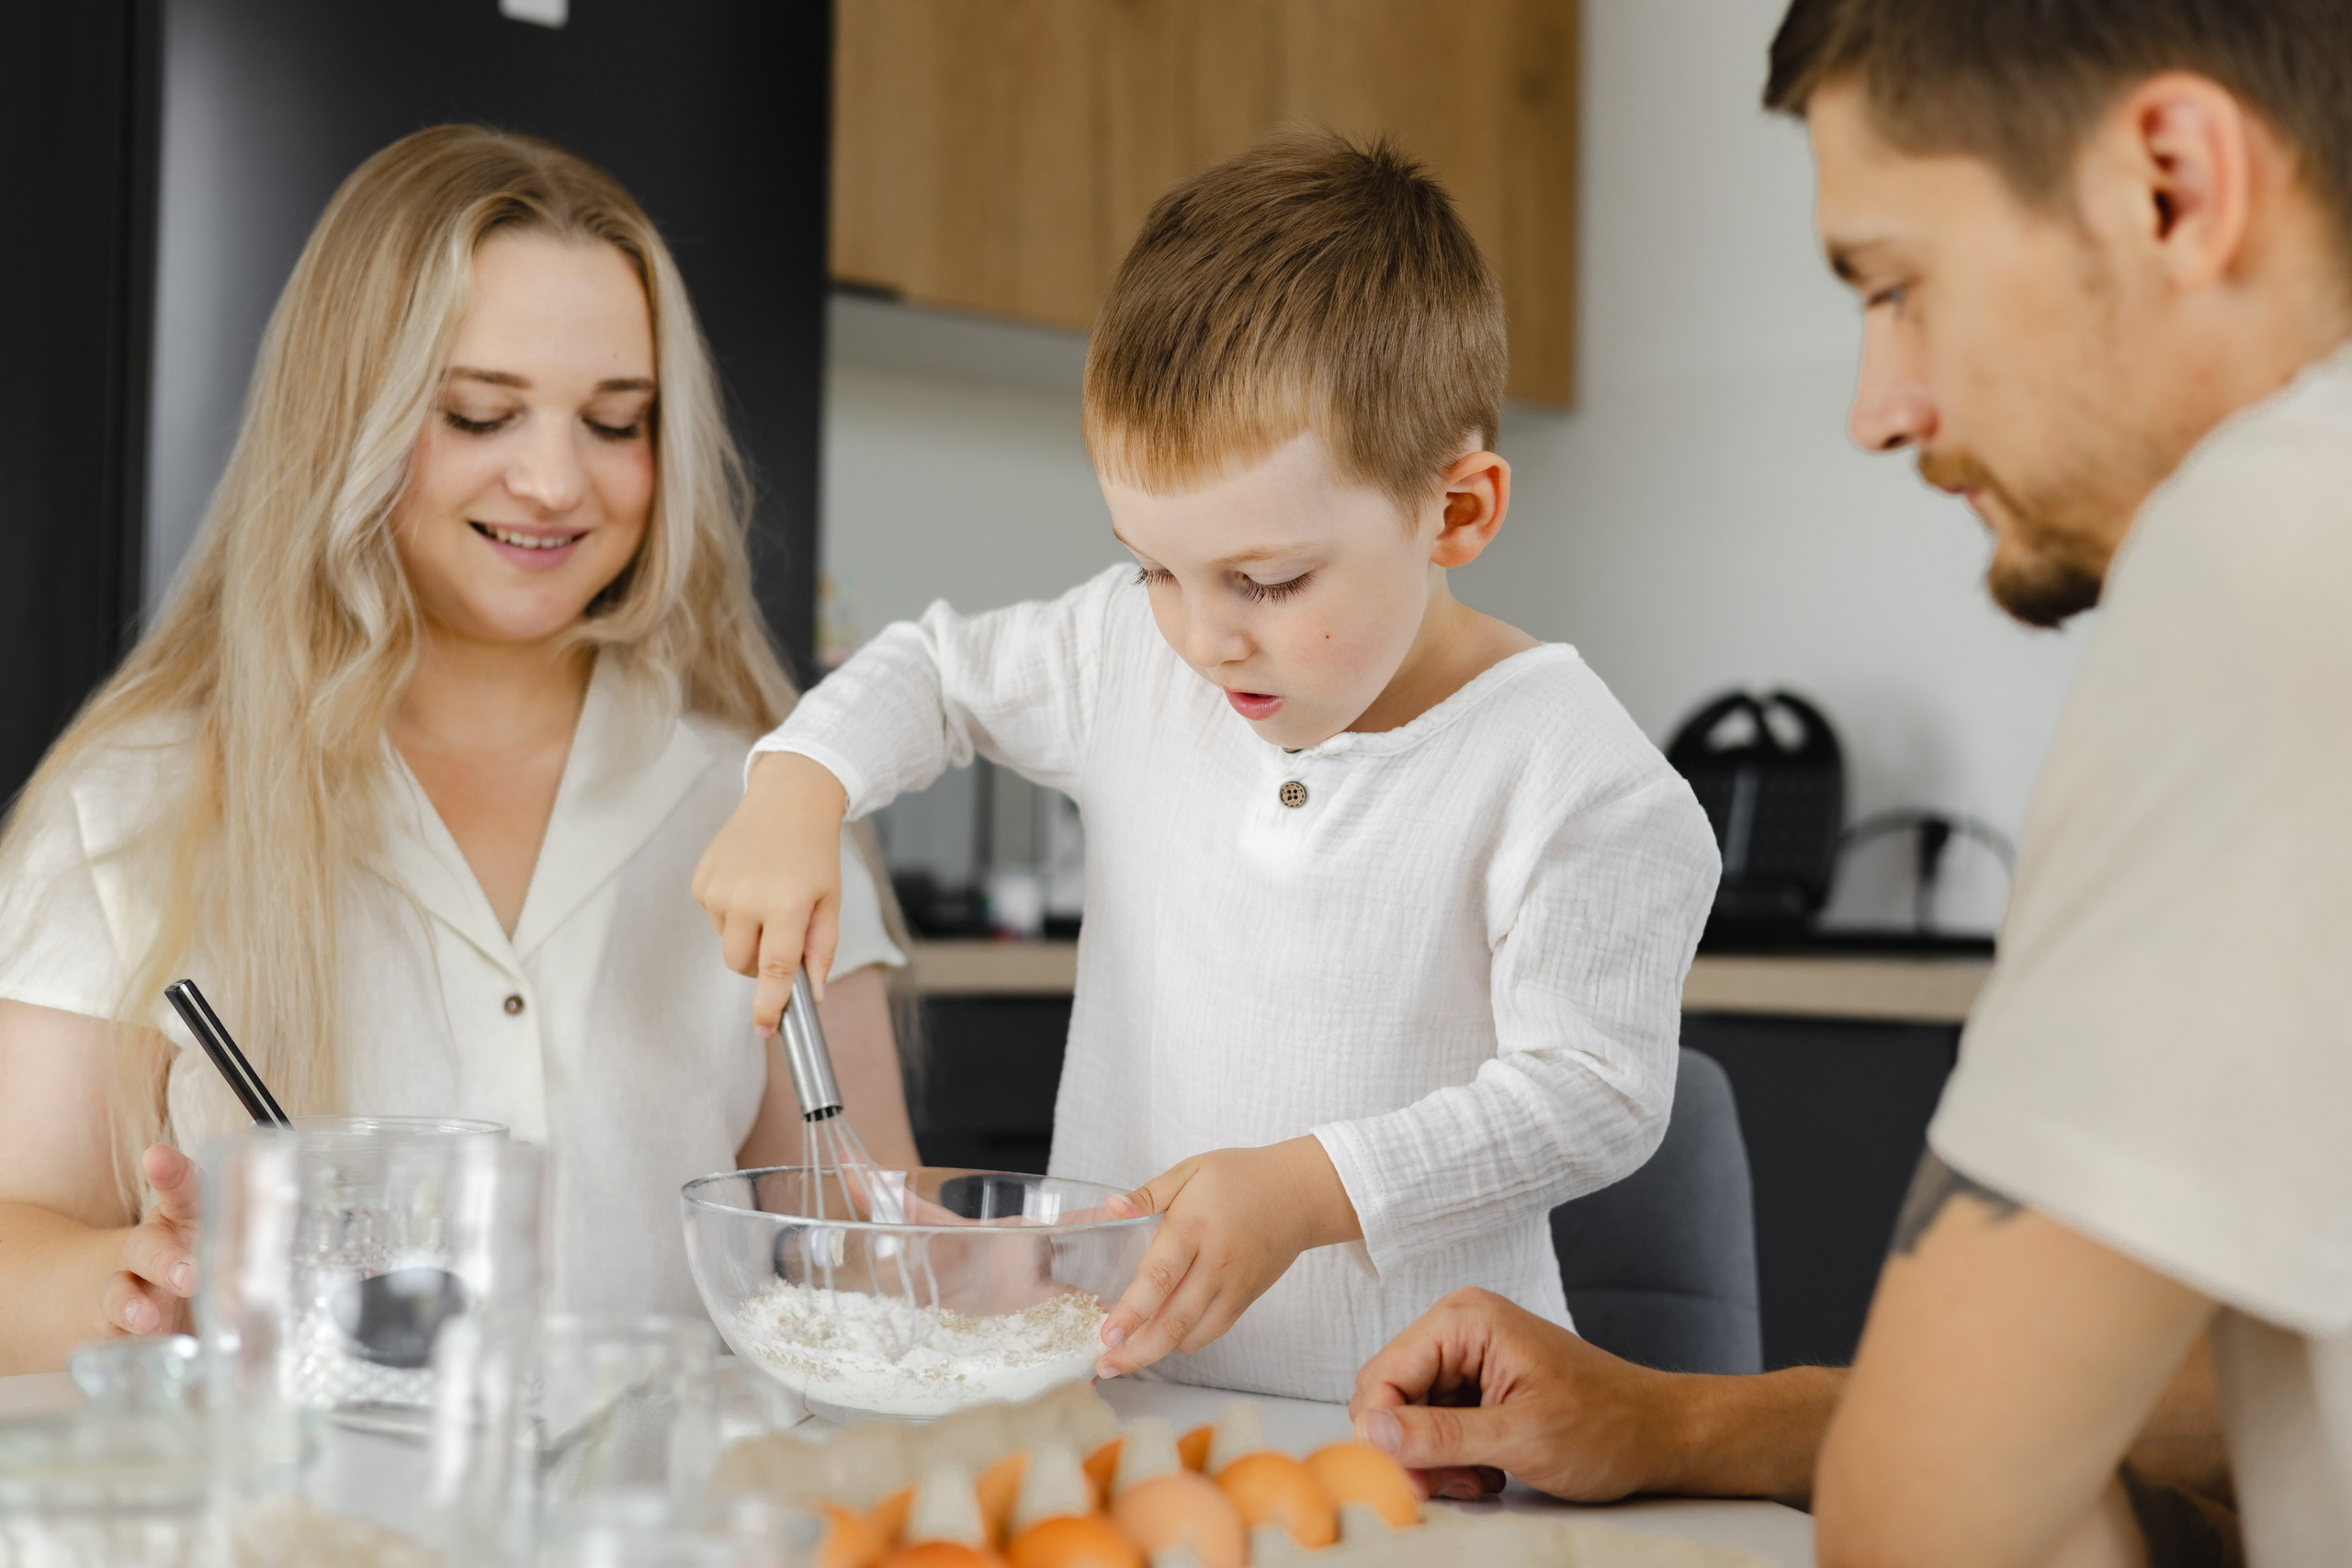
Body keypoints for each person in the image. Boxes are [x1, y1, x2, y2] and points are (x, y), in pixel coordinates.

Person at [1351, 0, 2352, 1559]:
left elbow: (1936, 1519)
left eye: (1898, 288)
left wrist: (1909, 1464)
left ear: (2172, 182)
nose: (1878, 405)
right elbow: (2277, 1386)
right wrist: (1687, 1421)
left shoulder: (2273, 546)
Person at [693, 130, 1722, 1403]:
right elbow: (940, 673)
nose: (1198, 633)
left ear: (1457, 512)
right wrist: (801, 781)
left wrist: (1310, 1187)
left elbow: (1598, 1092)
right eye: (1153, 566)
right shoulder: (1136, 652)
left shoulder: (1575, 776)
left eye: (1269, 580)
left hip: (1420, 1439)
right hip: (1118, 1391)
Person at [0, 126, 917, 1376]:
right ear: (353, 421)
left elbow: (870, 1247)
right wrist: (135, 1281)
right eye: (480, 414)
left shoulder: (761, 801)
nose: (554, 480)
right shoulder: (138, 804)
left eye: (616, 421)